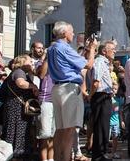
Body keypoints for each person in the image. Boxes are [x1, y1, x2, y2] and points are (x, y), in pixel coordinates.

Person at [48, 21, 97, 161]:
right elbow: (88, 64)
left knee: (60, 129)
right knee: (69, 129)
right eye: (71, 31)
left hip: (57, 88)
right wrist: (92, 49)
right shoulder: (64, 48)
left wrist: (86, 49)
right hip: (69, 88)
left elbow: (75, 62)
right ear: (64, 33)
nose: (73, 34)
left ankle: (58, 158)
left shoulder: (51, 48)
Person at [2, 54, 39, 159]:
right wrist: (33, 86)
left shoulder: (23, 73)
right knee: (16, 132)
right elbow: (21, 83)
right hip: (16, 108)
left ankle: (16, 154)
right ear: (22, 62)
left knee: (18, 132)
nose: (32, 64)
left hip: (18, 108)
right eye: (29, 62)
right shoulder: (19, 72)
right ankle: (15, 155)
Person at [90, 40, 116, 161]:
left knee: (104, 126)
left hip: (105, 96)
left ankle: (102, 152)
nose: (115, 51)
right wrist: (90, 95)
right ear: (104, 51)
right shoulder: (100, 62)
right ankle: (99, 154)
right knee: (101, 126)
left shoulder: (105, 63)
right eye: (112, 49)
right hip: (100, 96)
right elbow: (96, 82)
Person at [35, 44, 54, 161]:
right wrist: (47, 57)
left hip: (57, 100)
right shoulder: (39, 63)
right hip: (45, 100)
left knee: (53, 134)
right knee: (44, 134)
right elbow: (42, 74)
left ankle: (51, 159)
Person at [109, 82, 124, 160]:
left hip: (116, 122)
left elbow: (120, 112)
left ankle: (113, 152)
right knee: (107, 138)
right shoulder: (107, 99)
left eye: (115, 89)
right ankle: (104, 152)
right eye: (112, 89)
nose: (113, 90)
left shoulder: (119, 100)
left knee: (115, 137)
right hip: (108, 122)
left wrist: (122, 121)